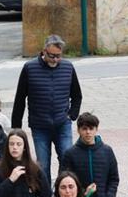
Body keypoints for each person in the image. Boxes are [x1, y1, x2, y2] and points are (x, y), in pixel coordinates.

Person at [12, 34, 83, 177]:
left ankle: (62, 194)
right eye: (52, 56)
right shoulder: (29, 68)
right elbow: (20, 99)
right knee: (42, 166)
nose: (55, 59)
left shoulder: (68, 67)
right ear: (44, 51)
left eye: (59, 56)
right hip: (40, 126)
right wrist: (16, 128)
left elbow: (77, 95)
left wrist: (71, 115)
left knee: (67, 161)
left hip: (62, 124)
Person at [60, 112, 119, 197]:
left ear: (96, 130)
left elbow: (113, 178)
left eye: (91, 129)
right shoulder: (70, 154)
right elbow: (64, 179)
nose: (88, 132)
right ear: (78, 130)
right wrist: (82, 194)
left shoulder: (107, 151)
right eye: (84, 129)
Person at [0, 129, 49, 197]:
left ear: (24, 147)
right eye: (11, 144)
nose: (14, 147)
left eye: (18, 144)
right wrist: (10, 180)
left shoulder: (35, 170)